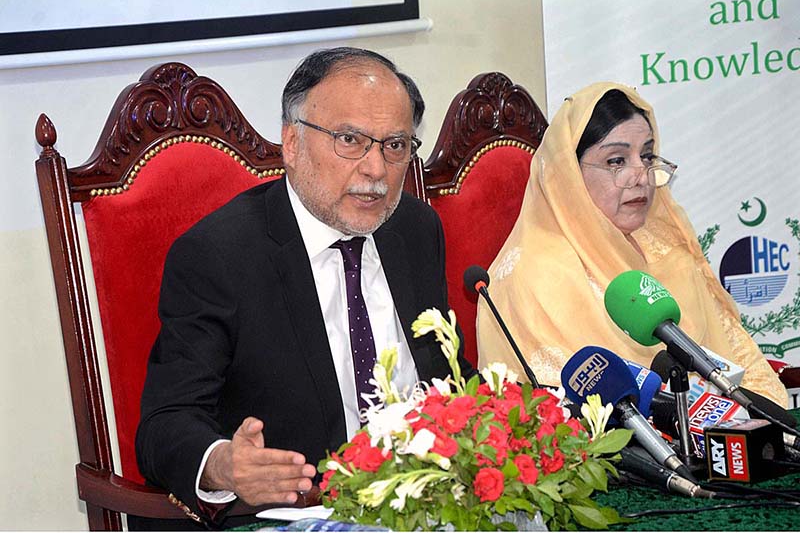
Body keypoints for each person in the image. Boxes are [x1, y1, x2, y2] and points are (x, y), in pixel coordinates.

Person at [134, 47, 474, 529]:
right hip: (294, 514)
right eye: (350, 140)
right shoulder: (219, 254)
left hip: (422, 501)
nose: (376, 170)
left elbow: (447, 372)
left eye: (395, 145)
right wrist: (222, 464)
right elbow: (166, 423)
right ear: (292, 144)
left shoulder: (415, 229)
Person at [476, 82, 788, 407]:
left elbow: (744, 364)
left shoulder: (666, 249)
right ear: (567, 175)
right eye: (616, 161)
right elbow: (560, 413)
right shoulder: (533, 276)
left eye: (647, 155)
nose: (641, 174)